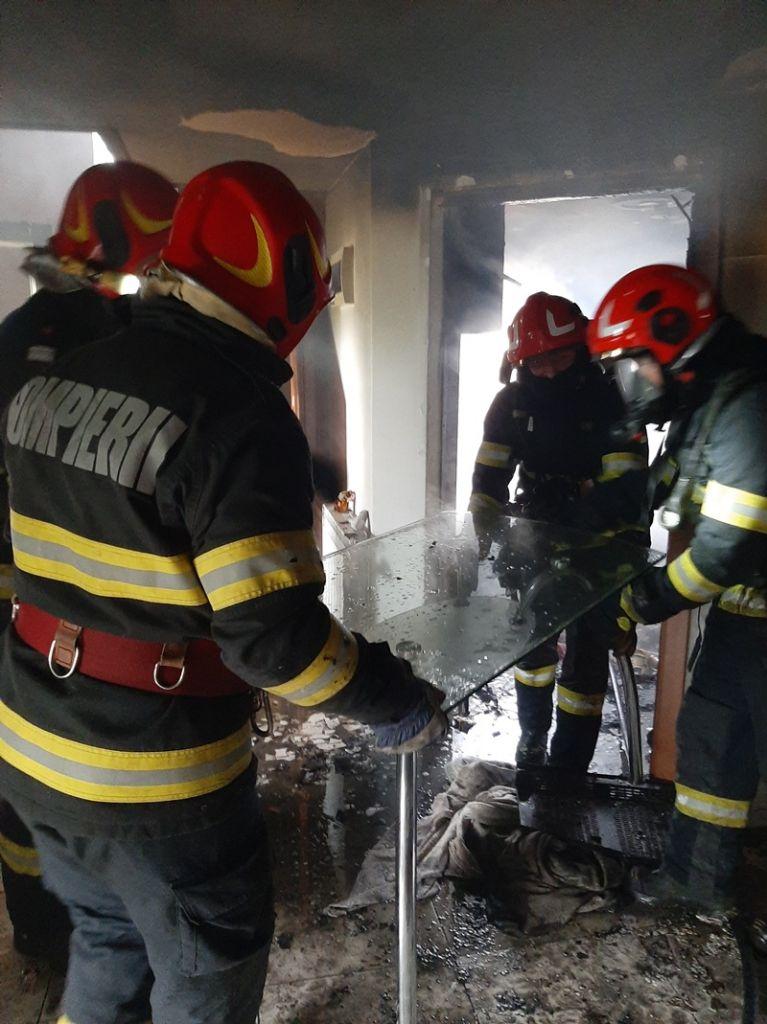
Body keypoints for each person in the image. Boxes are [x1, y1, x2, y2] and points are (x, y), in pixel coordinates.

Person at [0, 160, 447, 1024]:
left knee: (108, 940)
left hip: (30, 744)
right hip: (151, 777)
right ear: (288, 288)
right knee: (208, 970)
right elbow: (273, 643)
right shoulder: (239, 415)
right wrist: (391, 699)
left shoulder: (57, 380)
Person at [0, 160, 179, 969]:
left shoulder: (97, 329)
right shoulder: (47, 344)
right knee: (31, 781)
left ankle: (87, 924)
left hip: (74, 608)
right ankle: (49, 935)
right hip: (32, 605)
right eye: (153, 259)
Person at [588, 263, 767, 915]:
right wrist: (591, 526)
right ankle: (695, 882)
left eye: (630, 366)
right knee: (712, 740)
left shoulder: (749, 404)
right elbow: (657, 489)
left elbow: (722, 552)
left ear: (671, 337)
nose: (629, 384)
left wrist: (641, 601)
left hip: (752, 612)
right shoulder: (708, 402)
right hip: (745, 617)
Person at [469, 292, 648, 770]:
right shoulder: (510, 406)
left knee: (587, 658)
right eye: (536, 362)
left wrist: (570, 513)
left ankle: (570, 766)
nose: (548, 371)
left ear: (582, 350)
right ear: (519, 363)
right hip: (534, 538)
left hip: (603, 545)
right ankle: (531, 738)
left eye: (560, 357)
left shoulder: (612, 401)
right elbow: (488, 481)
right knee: (532, 646)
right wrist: (474, 544)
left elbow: (625, 491)